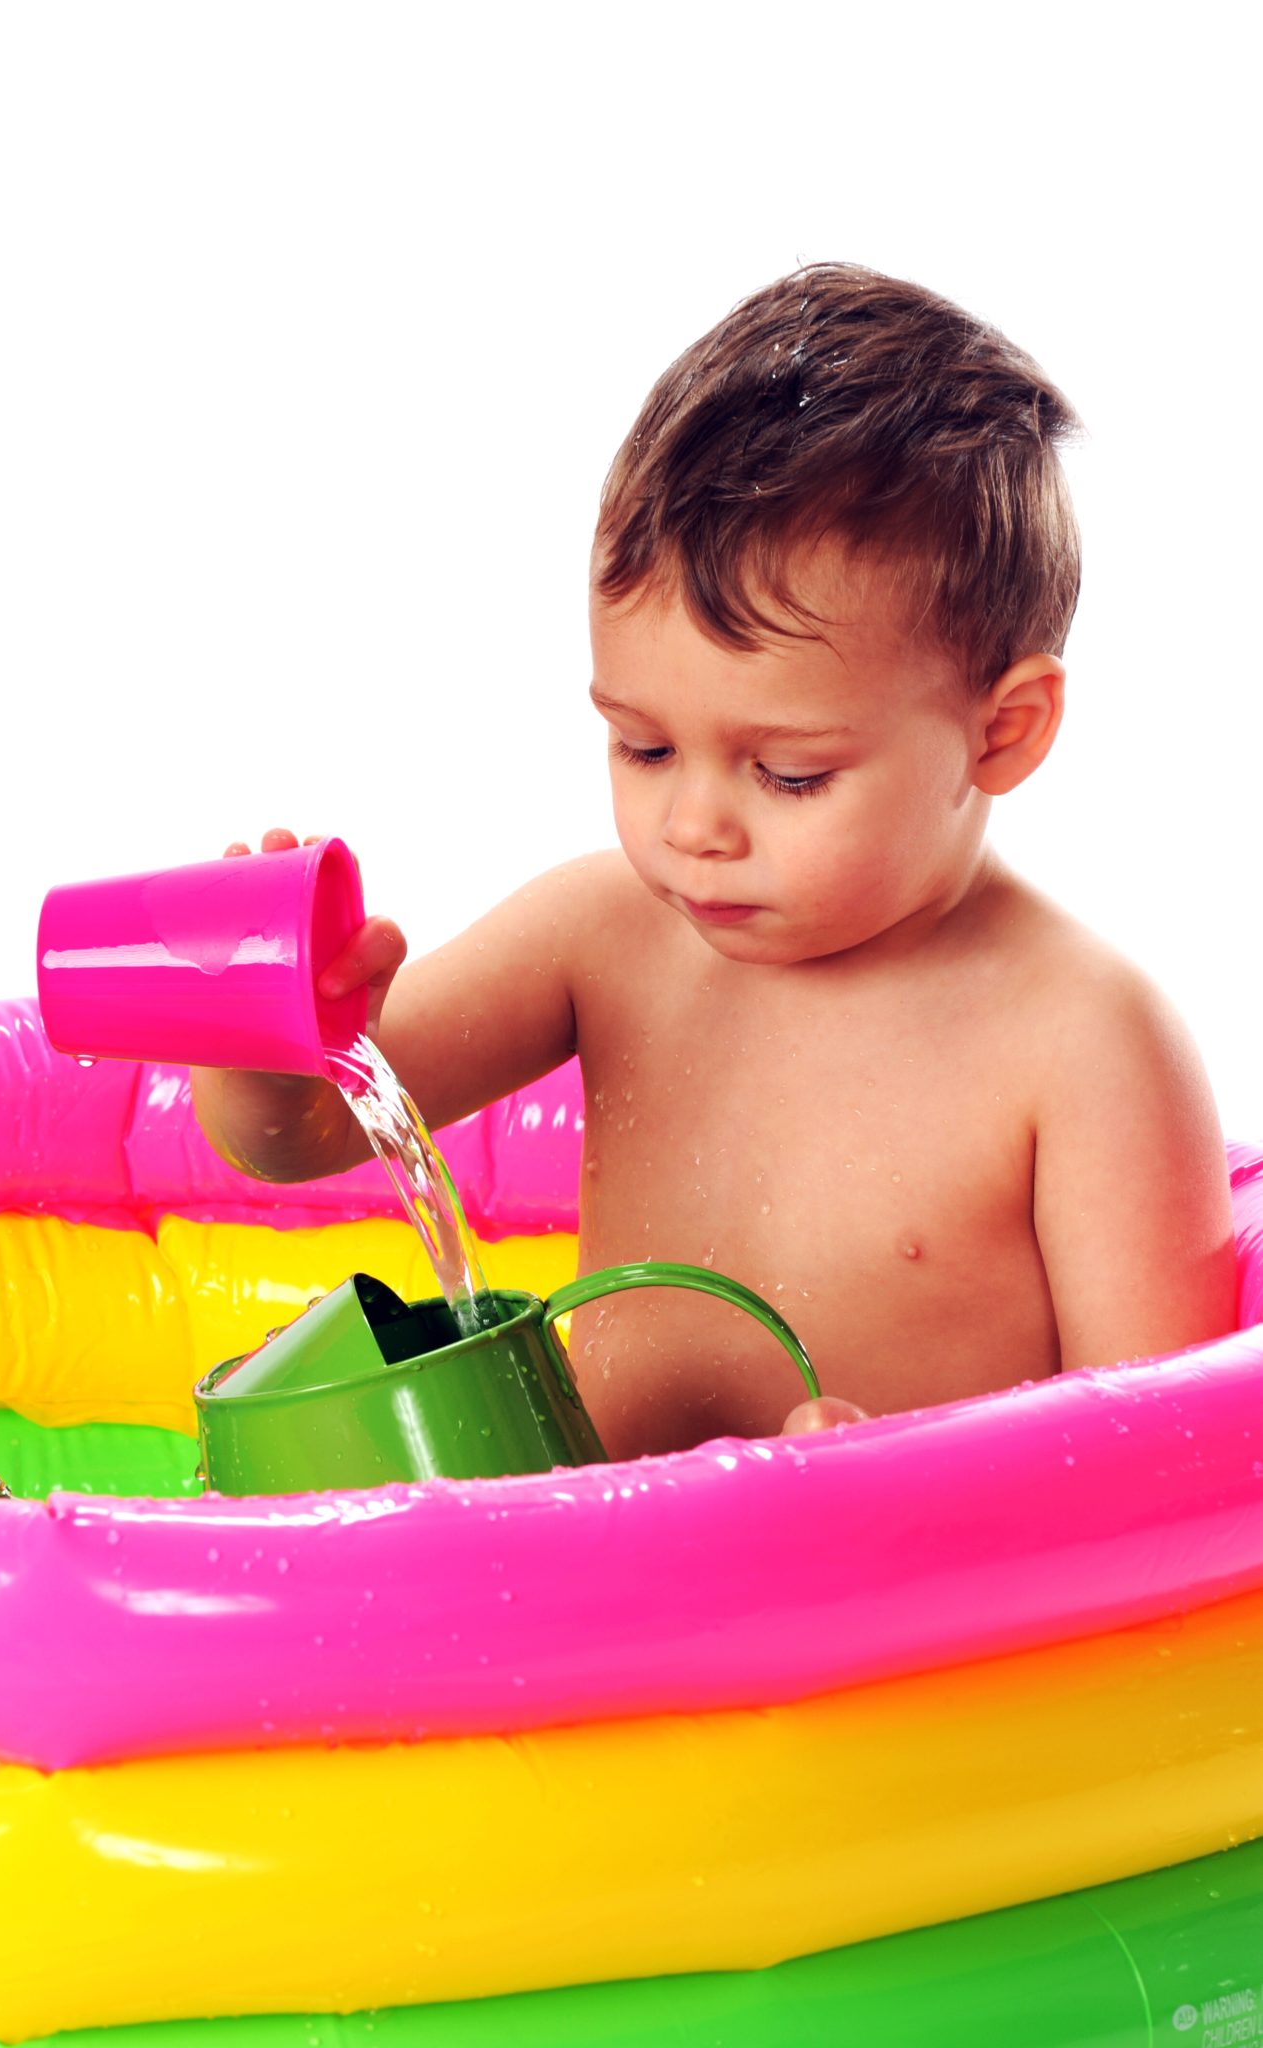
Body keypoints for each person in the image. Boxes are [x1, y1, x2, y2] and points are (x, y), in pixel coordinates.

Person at [193, 262, 1237, 1463]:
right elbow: (302, 1141)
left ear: (1000, 731)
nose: (692, 825)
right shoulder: (604, 934)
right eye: (642, 745)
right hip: (604, 1605)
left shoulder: (1085, 1044)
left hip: (912, 1631)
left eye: (788, 774)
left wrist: (907, 1489)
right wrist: (273, 1042)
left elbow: (1165, 1463)